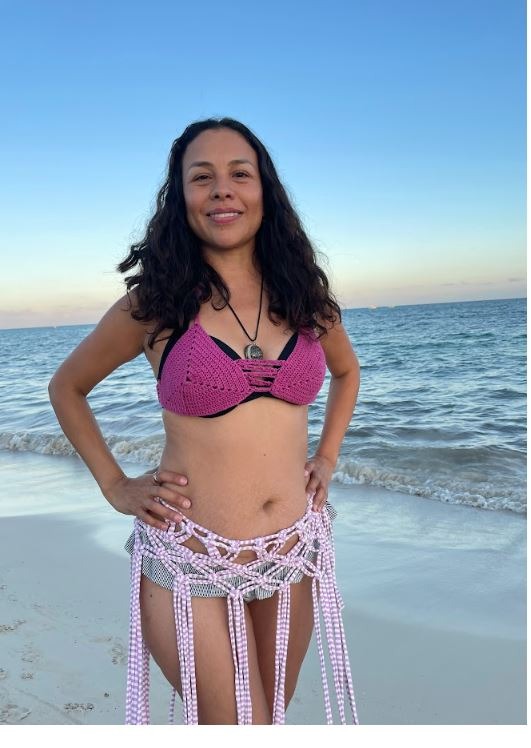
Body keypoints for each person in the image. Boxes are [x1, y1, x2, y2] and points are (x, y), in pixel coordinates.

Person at [48, 117, 361, 725]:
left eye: (240, 174)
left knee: (268, 719)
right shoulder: (154, 303)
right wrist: (115, 485)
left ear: (264, 191)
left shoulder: (305, 298)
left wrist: (326, 457)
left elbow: (347, 373)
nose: (222, 189)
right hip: (189, 556)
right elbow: (68, 387)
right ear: (181, 197)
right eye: (202, 177)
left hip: (290, 551)